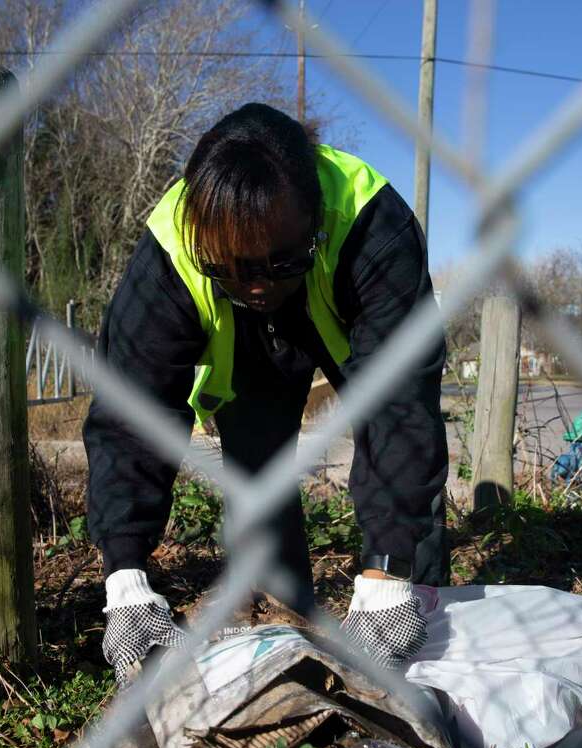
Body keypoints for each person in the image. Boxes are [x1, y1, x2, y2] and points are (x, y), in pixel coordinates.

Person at [83, 103, 448, 684]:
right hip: (247, 342)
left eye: (279, 263)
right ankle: (287, 622)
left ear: (314, 222)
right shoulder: (170, 250)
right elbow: (132, 414)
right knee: (257, 471)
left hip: (338, 302)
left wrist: (390, 573)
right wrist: (124, 579)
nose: (258, 286)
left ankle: (410, 604)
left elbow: (399, 401)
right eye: (233, 268)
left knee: (404, 477)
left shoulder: (371, 222)